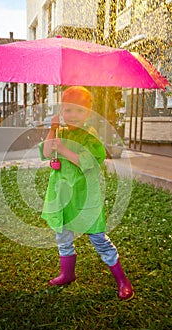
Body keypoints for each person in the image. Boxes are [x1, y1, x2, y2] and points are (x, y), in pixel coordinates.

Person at [39, 86, 133, 300]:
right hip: (62, 196)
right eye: (69, 110)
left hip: (84, 197)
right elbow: (46, 153)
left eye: (80, 111)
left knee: (98, 237)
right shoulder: (60, 132)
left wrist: (63, 150)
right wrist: (53, 129)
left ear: (88, 113)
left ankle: (121, 279)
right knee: (63, 236)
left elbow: (87, 162)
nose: (74, 115)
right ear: (62, 112)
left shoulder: (90, 136)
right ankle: (67, 273)